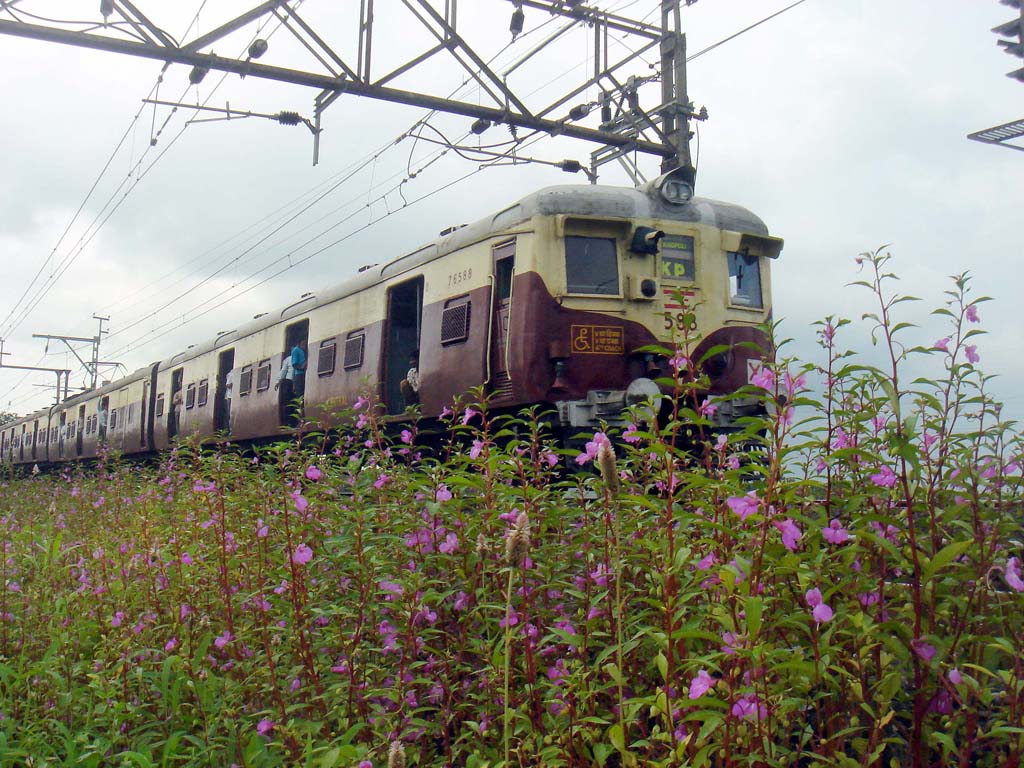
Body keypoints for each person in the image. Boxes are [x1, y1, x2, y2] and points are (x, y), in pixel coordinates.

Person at [275, 355, 294, 426]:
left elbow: (283, 371)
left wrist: (277, 381)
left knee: (287, 403)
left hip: (288, 382)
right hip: (296, 380)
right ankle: (293, 421)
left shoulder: (288, 359)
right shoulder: (301, 357)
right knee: (293, 403)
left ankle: (288, 422)